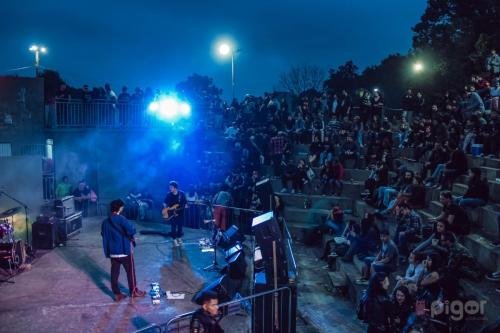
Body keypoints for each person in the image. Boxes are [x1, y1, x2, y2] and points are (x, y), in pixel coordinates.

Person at [101, 199, 145, 301]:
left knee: (114, 273)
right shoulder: (121, 219)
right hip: (125, 251)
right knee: (130, 272)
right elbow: (132, 230)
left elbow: (104, 236)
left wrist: (108, 252)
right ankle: (133, 291)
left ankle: (117, 294)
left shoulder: (105, 222)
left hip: (113, 252)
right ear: (120, 208)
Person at [163, 181, 187, 246]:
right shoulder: (169, 194)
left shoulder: (182, 194)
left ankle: (179, 238)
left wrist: (185, 206)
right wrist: (166, 208)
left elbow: (185, 203)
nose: (170, 188)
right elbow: (164, 203)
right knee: (173, 226)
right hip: (172, 213)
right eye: (169, 187)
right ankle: (174, 239)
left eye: (171, 187)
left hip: (180, 213)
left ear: (175, 188)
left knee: (180, 226)